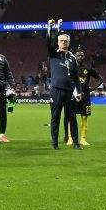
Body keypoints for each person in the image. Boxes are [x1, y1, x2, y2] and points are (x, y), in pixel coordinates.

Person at [46, 19, 81, 151]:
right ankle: (55, 143)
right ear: (58, 42)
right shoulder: (54, 54)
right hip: (56, 90)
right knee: (55, 117)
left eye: (65, 41)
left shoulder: (72, 58)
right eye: (61, 41)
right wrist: (51, 28)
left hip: (69, 92)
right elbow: (48, 42)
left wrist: (79, 92)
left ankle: (76, 143)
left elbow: (76, 77)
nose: (63, 42)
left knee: (72, 118)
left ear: (69, 43)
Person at [71, 50, 101, 147]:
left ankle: (83, 139)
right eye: (78, 55)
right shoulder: (71, 68)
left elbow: (100, 79)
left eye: (82, 55)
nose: (80, 57)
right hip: (74, 95)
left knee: (84, 117)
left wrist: (92, 89)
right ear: (75, 57)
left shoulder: (88, 68)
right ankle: (70, 138)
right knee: (71, 117)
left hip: (85, 96)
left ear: (84, 57)